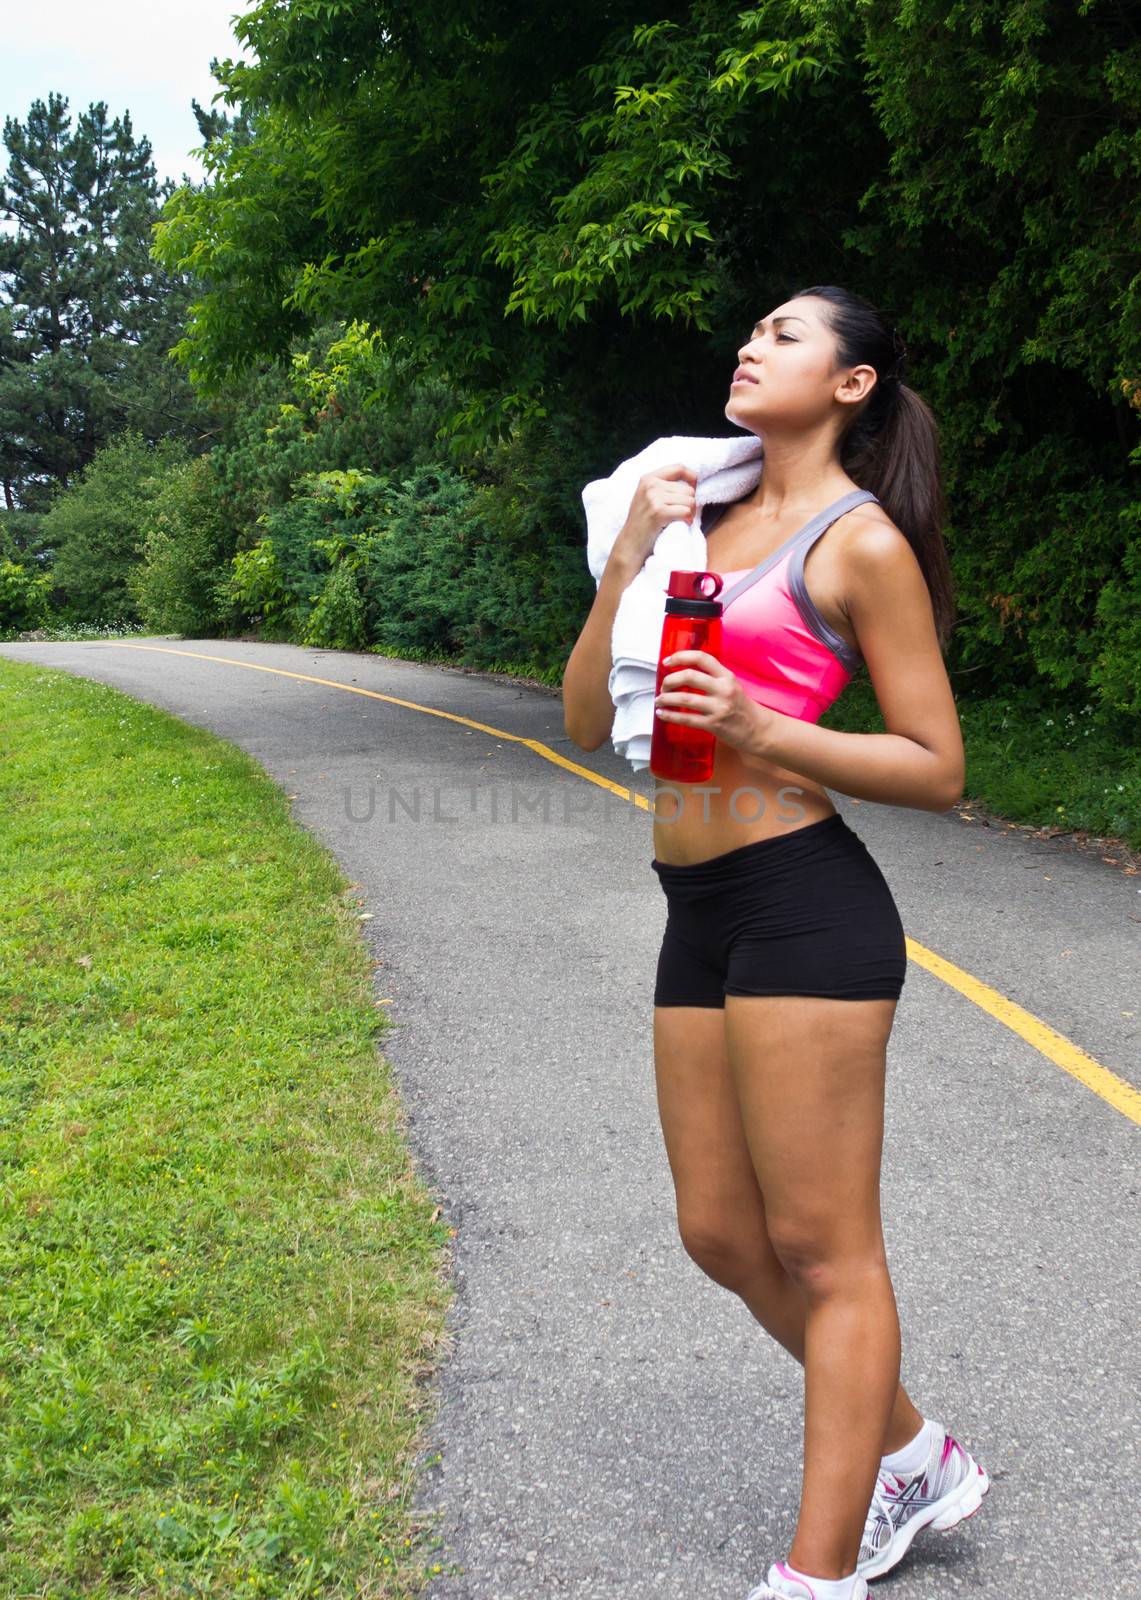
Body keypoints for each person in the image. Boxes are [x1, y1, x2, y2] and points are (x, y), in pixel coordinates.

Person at [562, 285, 990, 1600]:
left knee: (822, 1249)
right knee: (718, 1235)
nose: (752, 345)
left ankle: (816, 1578)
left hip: (805, 897)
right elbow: (586, 718)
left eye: (786, 335)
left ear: (850, 385)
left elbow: (935, 764)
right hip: (695, 909)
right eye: (750, 330)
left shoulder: (856, 547)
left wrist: (763, 731)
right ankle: (912, 1453)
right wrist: (628, 560)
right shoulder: (694, 511)